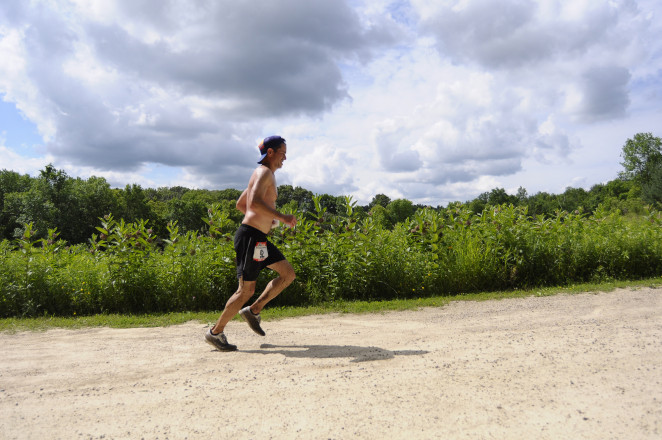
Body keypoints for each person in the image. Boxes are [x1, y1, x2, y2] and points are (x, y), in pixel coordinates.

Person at [205, 135, 297, 351]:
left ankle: (253, 310)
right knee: (244, 291)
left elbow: (241, 204)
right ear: (271, 153)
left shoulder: (264, 175)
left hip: (258, 239)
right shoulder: (263, 172)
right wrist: (281, 217)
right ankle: (215, 333)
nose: (285, 157)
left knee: (288, 274)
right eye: (283, 152)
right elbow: (253, 202)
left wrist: (266, 219)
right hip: (250, 238)